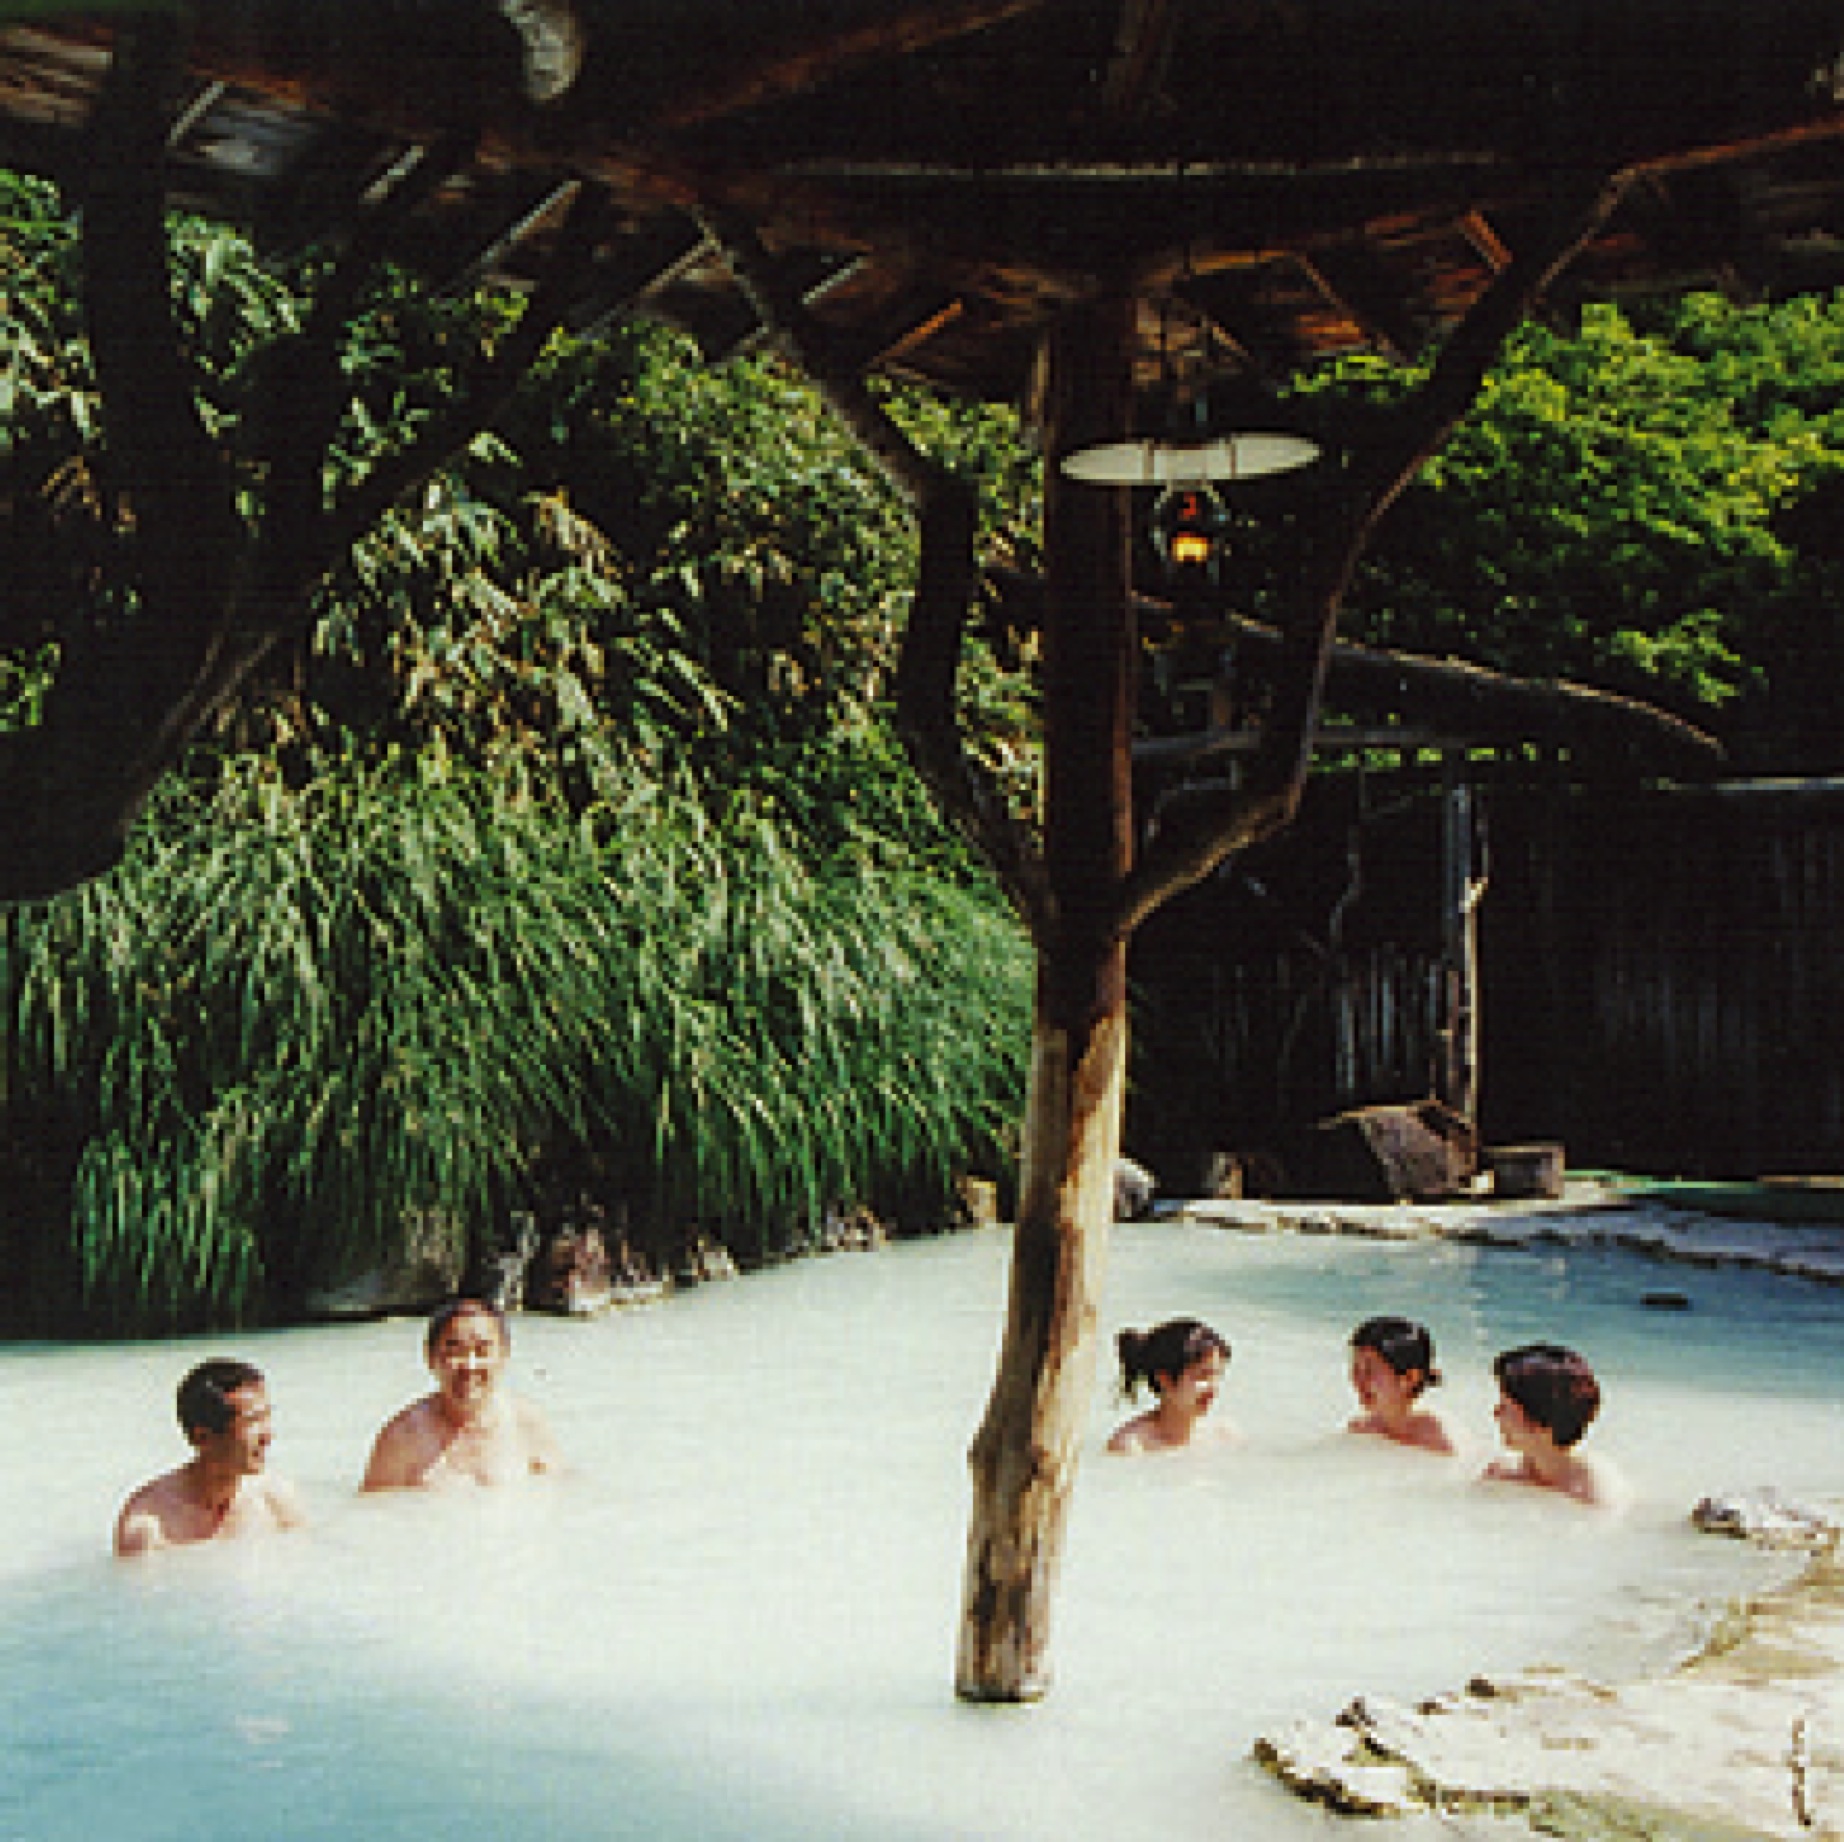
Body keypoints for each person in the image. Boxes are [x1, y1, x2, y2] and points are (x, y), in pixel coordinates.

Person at [361, 1297, 563, 1490]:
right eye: (454, 1352)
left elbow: (561, 1498)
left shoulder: (527, 1425)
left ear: (504, 1355)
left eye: (482, 1351)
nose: (469, 1366)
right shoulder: (402, 1439)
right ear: (430, 1358)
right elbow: (374, 1515)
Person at [114, 1358, 305, 1557]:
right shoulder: (148, 1527)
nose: (268, 1437)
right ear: (202, 1437)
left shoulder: (276, 1499)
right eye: (252, 1422)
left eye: (266, 1418)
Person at [1481, 1342, 1627, 1510]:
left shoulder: (1596, 1495)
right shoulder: (1503, 1472)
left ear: (1538, 1422)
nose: (1495, 1413)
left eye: (1505, 1406)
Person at [1106, 1317, 1233, 1454]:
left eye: (1217, 1376)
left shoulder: (1225, 1436)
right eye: (1202, 1376)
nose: (1213, 1388)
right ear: (1164, 1380)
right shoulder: (1131, 1446)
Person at [1346, 1315, 1457, 1455]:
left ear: (1410, 1378)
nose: (1359, 1380)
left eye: (1370, 1370)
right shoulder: (1362, 1429)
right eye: (1356, 1368)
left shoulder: (1436, 1435)